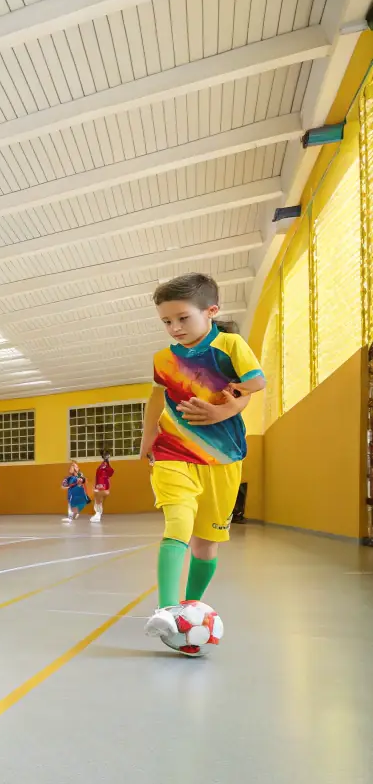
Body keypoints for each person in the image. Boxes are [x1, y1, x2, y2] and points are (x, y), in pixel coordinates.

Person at [140, 273, 264, 640]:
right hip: (173, 452)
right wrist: (148, 437)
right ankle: (165, 610)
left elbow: (255, 383)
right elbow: (156, 397)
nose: (174, 328)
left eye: (182, 318)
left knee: (205, 543)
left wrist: (223, 412)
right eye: (166, 321)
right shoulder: (162, 359)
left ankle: (190, 607)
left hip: (223, 458)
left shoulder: (229, 344)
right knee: (177, 523)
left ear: (211, 311)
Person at [91, 452, 113, 523]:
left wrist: (102, 486)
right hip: (99, 484)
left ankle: (98, 515)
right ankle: (97, 514)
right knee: (98, 499)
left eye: (106, 456)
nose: (105, 457)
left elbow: (110, 473)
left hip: (103, 485)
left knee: (99, 499)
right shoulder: (102, 465)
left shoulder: (106, 465)